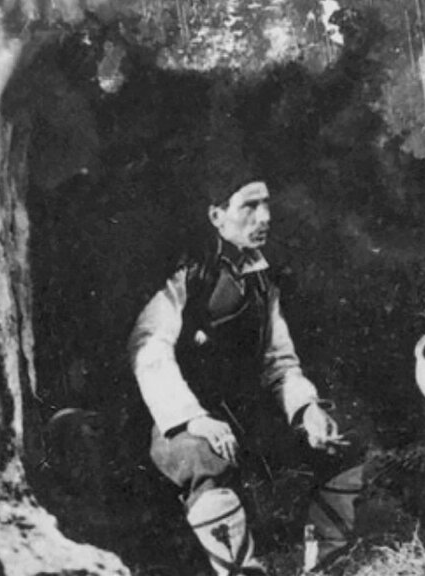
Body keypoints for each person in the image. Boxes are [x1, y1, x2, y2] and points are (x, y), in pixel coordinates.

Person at [129, 159, 363, 576]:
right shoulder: (188, 274)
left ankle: (325, 562)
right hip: (180, 420)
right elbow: (149, 349)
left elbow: (279, 360)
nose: (264, 217)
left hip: (244, 414)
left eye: (267, 205)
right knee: (202, 457)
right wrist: (194, 418)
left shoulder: (261, 278)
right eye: (250, 206)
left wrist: (306, 408)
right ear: (216, 216)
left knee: (339, 434)